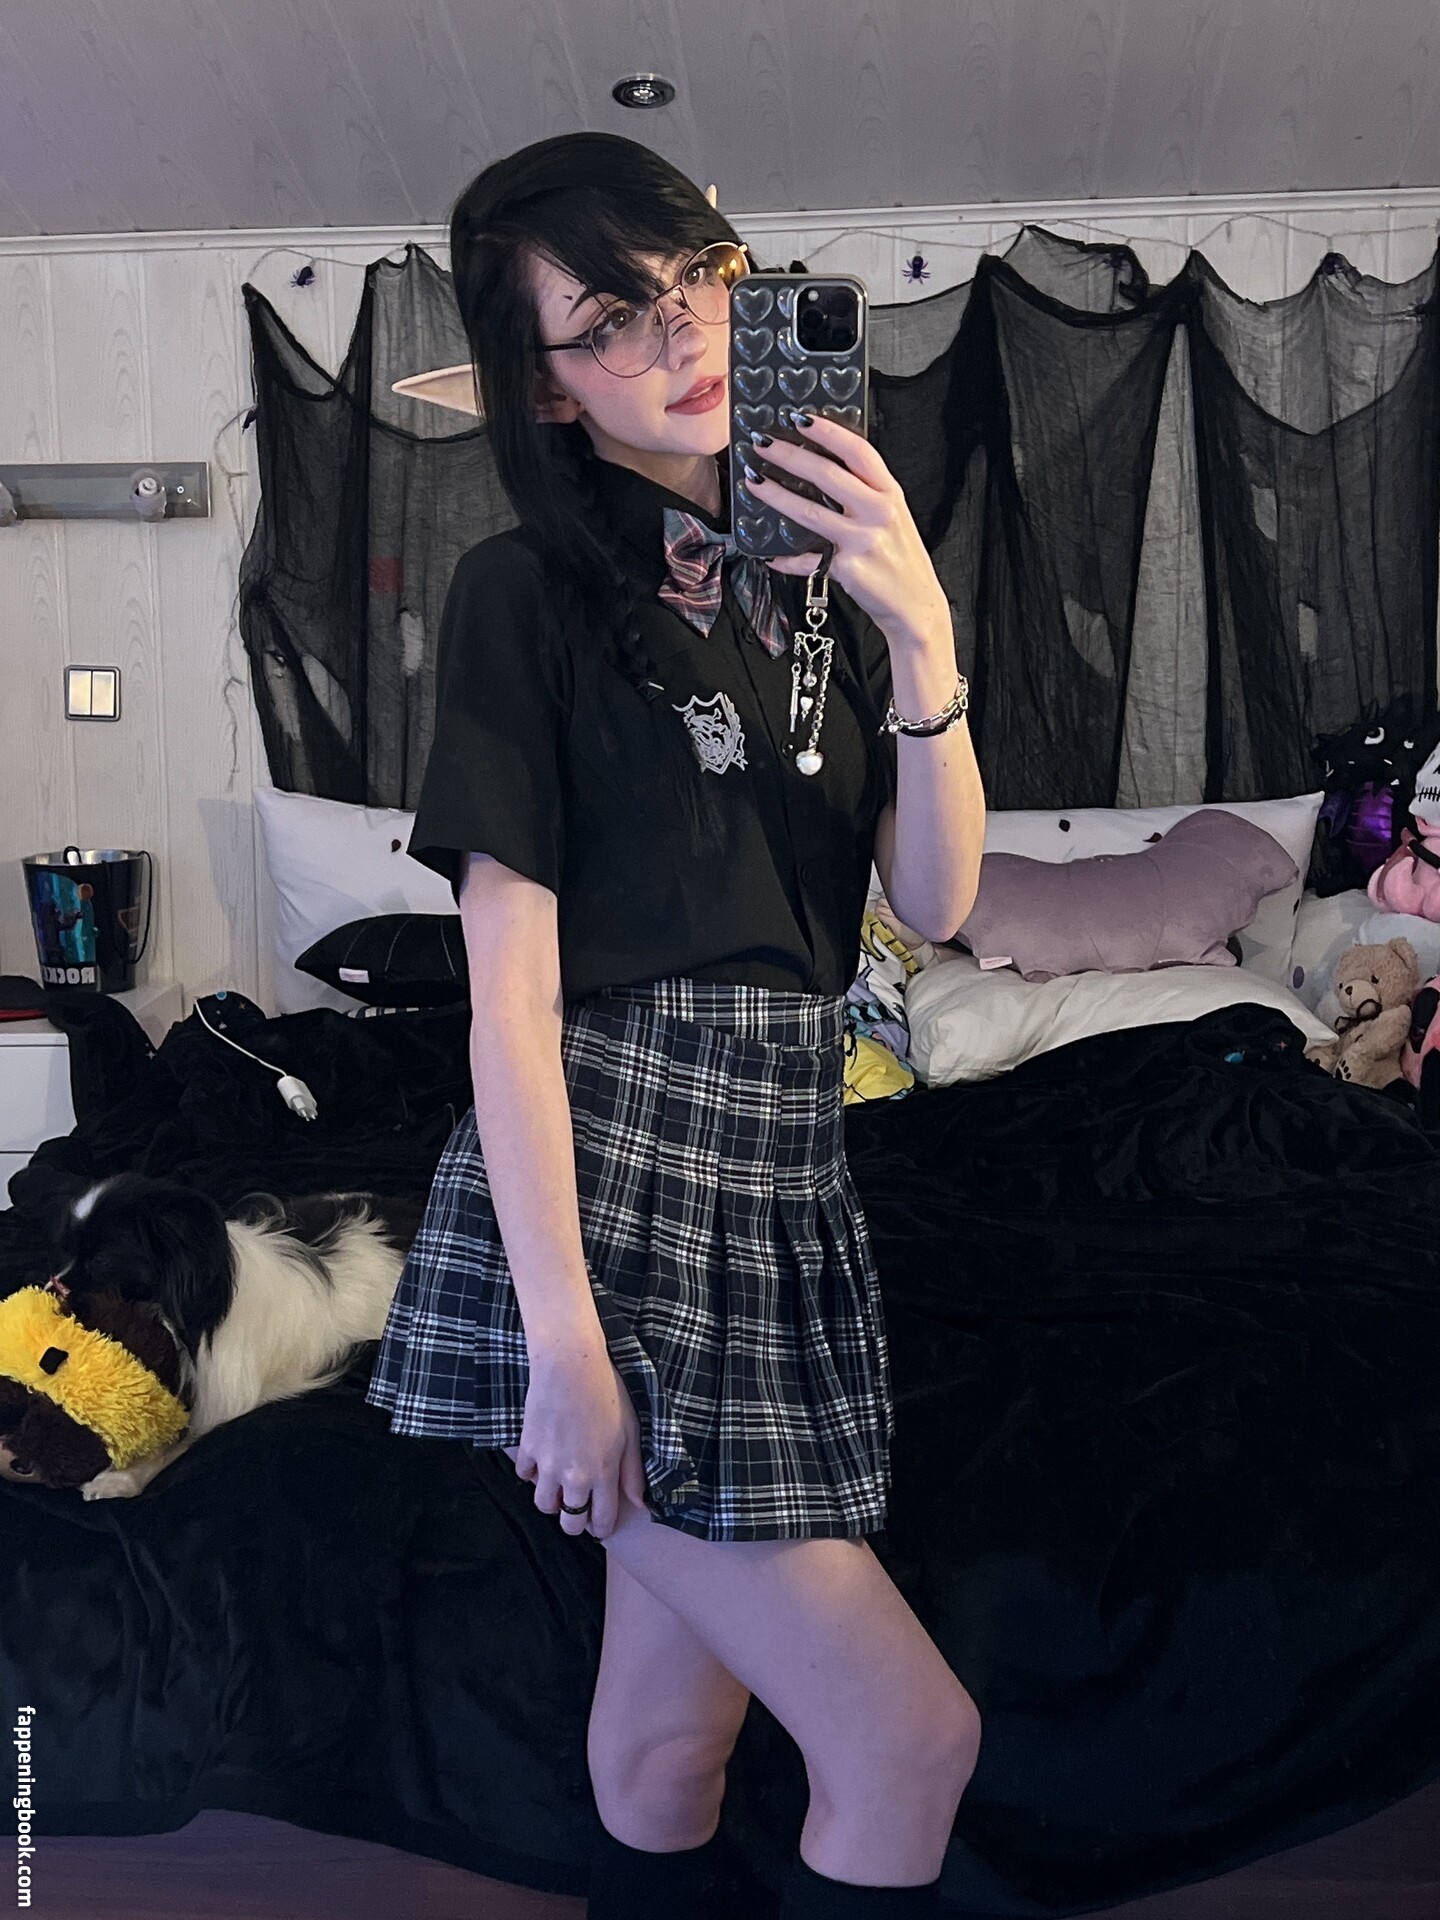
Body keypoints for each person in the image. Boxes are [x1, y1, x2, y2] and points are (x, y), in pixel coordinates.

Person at [364, 130, 987, 1918]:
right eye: (611, 322)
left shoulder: (820, 581)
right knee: (908, 1744)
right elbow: (511, 999)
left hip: (786, 1165)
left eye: (697, 280)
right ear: (543, 390)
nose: (683, 337)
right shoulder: (524, 592)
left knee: (665, 1747)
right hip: (617, 1175)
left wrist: (925, 642)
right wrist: (564, 1345)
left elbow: (939, 902)